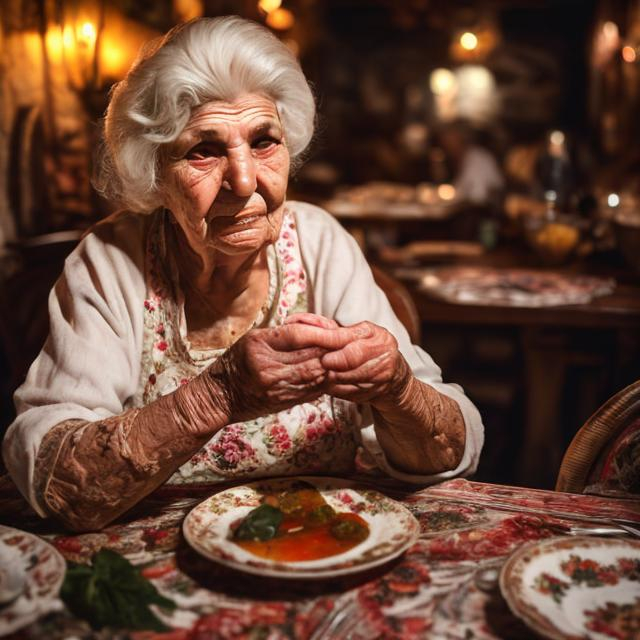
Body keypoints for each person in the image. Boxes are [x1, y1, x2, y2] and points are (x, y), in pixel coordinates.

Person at [3, 17, 483, 532]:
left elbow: (453, 447)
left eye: (263, 142)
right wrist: (218, 395)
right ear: (156, 173)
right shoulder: (110, 260)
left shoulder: (321, 242)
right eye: (203, 151)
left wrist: (397, 389)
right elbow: (54, 477)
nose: (245, 179)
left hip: (317, 546)